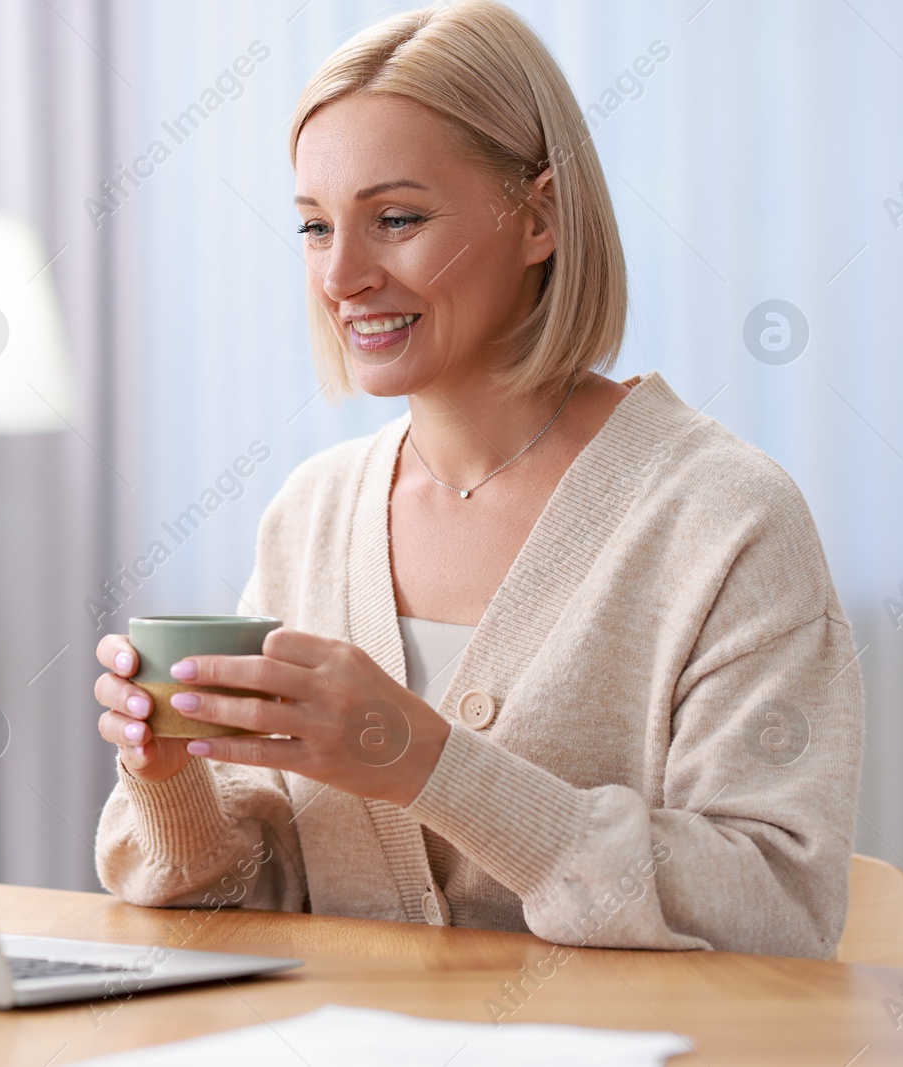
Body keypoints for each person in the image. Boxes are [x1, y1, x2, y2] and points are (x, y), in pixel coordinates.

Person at [91, 0, 863, 958]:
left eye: (397, 219)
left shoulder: (727, 517)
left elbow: (777, 910)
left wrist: (427, 761)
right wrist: (171, 781)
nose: (341, 277)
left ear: (538, 216)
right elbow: (268, 892)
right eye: (315, 228)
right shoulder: (314, 513)